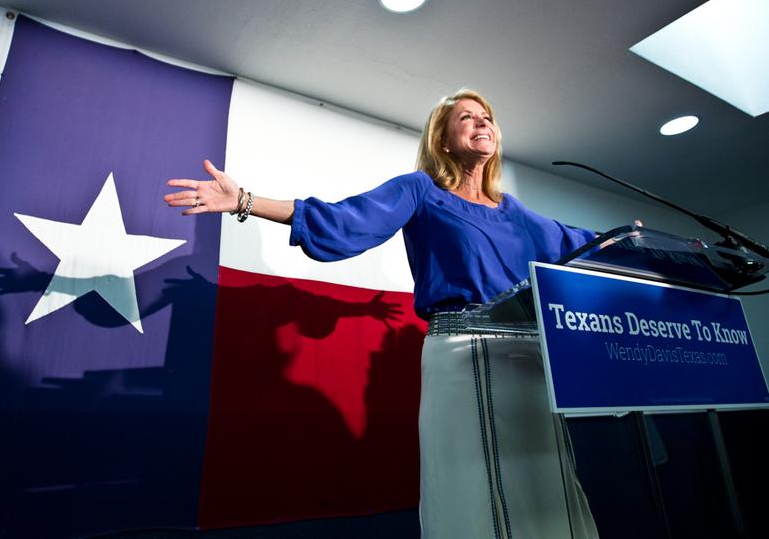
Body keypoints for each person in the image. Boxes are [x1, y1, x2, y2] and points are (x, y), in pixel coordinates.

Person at [164, 88, 599, 539]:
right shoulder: (422, 190)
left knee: (546, 488)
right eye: (467, 117)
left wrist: (647, 250)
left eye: (486, 116)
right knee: (478, 492)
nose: (482, 122)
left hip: (531, 363)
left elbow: (583, 245)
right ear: (443, 141)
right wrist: (245, 201)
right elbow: (345, 221)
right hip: (465, 356)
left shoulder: (516, 213)